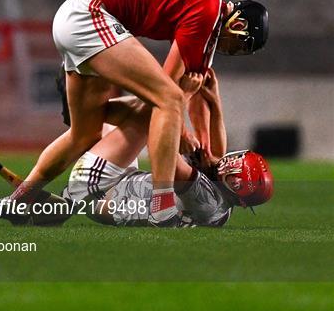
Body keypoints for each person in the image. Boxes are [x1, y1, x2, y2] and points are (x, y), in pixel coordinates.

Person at [7, 0, 268, 227]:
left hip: (74, 18)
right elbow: (169, 91)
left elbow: (195, 90)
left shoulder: (206, 17)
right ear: (239, 24)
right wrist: (184, 134)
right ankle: (162, 206)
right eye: (240, 46)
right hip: (90, 15)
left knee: (84, 133)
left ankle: (21, 198)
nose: (233, 52)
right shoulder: (208, 13)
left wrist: (205, 148)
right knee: (167, 99)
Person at [62, 69, 274, 228]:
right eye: (234, 162)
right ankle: (81, 117)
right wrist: (214, 98)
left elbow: (162, 144)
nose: (227, 166)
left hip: (97, 193)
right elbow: (214, 154)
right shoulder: (220, 205)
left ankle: (79, 112)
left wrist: (183, 96)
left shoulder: (206, 200)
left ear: (241, 200)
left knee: (148, 114)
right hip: (121, 182)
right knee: (123, 118)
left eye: (235, 178)